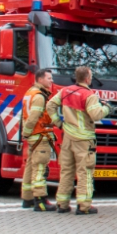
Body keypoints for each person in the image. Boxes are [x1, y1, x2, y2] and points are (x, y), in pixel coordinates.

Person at [47, 66, 111, 215]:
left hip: (68, 137)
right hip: (84, 140)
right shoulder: (90, 95)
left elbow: (50, 105)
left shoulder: (65, 91)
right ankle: (84, 205)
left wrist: (58, 123)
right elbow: (95, 115)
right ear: (87, 78)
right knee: (85, 172)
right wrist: (107, 108)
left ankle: (62, 204)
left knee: (67, 171)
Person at [20, 68, 56, 211]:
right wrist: (27, 132)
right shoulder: (40, 96)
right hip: (40, 135)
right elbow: (34, 117)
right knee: (40, 168)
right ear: (40, 80)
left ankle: (27, 198)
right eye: (49, 78)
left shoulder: (30, 93)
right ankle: (40, 201)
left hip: (34, 137)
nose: (51, 81)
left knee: (30, 166)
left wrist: (26, 135)